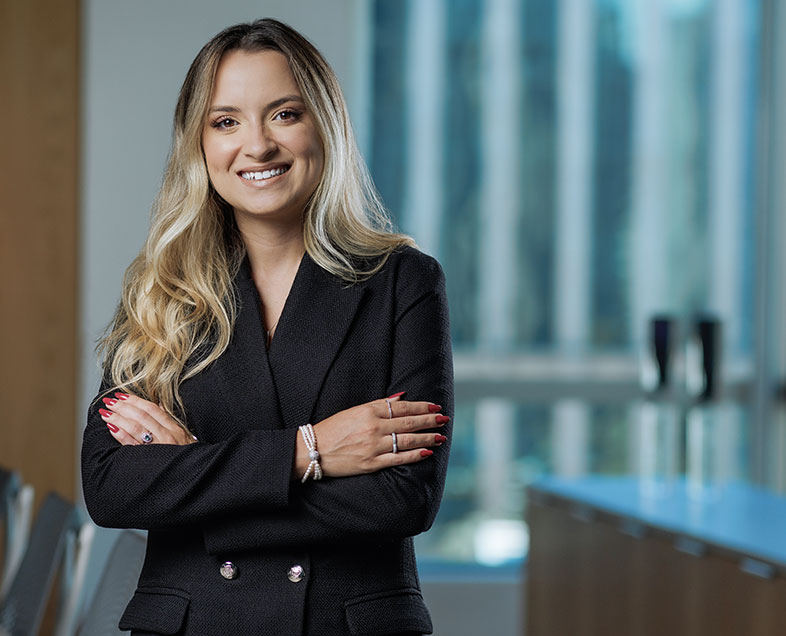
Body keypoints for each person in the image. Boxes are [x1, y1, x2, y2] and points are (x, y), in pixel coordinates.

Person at [81, 17, 453, 636]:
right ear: (199, 144)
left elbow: (404, 497)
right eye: (226, 122)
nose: (256, 146)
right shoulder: (161, 288)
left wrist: (194, 475)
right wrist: (311, 452)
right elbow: (112, 488)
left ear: (324, 126)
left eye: (284, 114)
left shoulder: (402, 282)